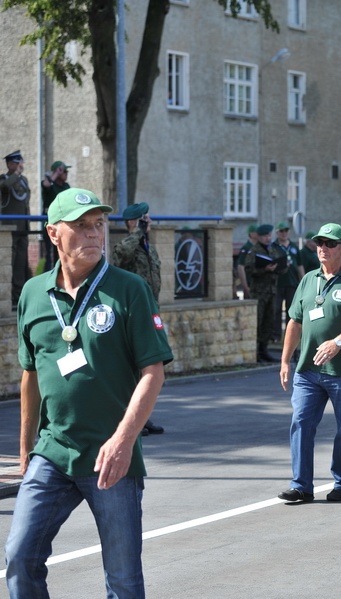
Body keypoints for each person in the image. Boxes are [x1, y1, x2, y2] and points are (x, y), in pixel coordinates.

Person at [5, 187, 173, 598]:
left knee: (123, 579)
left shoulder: (129, 289)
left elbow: (153, 372)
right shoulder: (33, 294)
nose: (94, 234)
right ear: (53, 234)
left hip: (110, 458)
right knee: (19, 557)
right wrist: (26, 449)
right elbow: (30, 376)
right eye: (80, 226)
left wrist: (123, 440)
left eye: (99, 224)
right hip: (53, 452)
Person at [278, 223, 341, 504]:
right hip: (308, 370)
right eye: (320, 243)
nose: (323, 248)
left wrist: (338, 342)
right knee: (301, 423)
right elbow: (295, 321)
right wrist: (286, 360)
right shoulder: (309, 279)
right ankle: (301, 485)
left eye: (330, 243)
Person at [110, 202, 166, 436]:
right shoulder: (126, 245)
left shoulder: (147, 247)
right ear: (134, 222)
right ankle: (130, 421)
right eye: (145, 219)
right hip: (130, 314)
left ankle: (143, 417)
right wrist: (136, 232)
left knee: (148, 368)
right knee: (130, 370)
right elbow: (119, 256)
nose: (150, 222)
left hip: (150, 311)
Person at [243, 224, 288, 362]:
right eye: (265, 236)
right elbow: (249, 269)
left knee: (269, 321)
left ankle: (264, 350)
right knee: (259, 321)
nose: (268, 238)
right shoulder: (254, 251)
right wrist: (265, 270)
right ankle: (256, 352)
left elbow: (281, 268)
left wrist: (279, 267)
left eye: (269, 236)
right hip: (259, 292)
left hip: (272, 291)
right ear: (259, 237)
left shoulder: (273, 250)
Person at [1, 150, 32, 307]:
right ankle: (10, 296)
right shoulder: (5, 179)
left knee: (21, 264)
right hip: (10, 228)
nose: (20, 165)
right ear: (9, 164)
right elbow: (5, 187)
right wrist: (16, 174)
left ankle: (18, 296)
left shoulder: (23, 180)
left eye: (21, 162)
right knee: (9, 264)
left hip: (23, 227)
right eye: (16, 163)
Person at [274, 221, 303, 340]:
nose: (284, 233)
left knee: (291, 311)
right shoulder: (273, 246)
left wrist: (303, 281)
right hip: (277, 283)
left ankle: (289, 334)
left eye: (286, 230)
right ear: (277, 233)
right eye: (281, 231)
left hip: (292, 283)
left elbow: (300, 265)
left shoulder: (294, 246)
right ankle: (275, 335)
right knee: (276, 310)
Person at [40, 160, 70, 268]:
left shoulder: (66, 186)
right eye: (64, 171)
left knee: (63, 252)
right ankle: (48, 276)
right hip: (51, 223)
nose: (66, 174)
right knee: (50, 255)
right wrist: (56, 173)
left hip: (63, 222)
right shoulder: (49, 183)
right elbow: (46, 185)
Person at [236, 224, 258, 299]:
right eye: (256, 232)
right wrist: (245, 286)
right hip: (250, 284)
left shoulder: (260, 247)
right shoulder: (246, 248)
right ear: (251, 234)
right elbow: (241, 267)